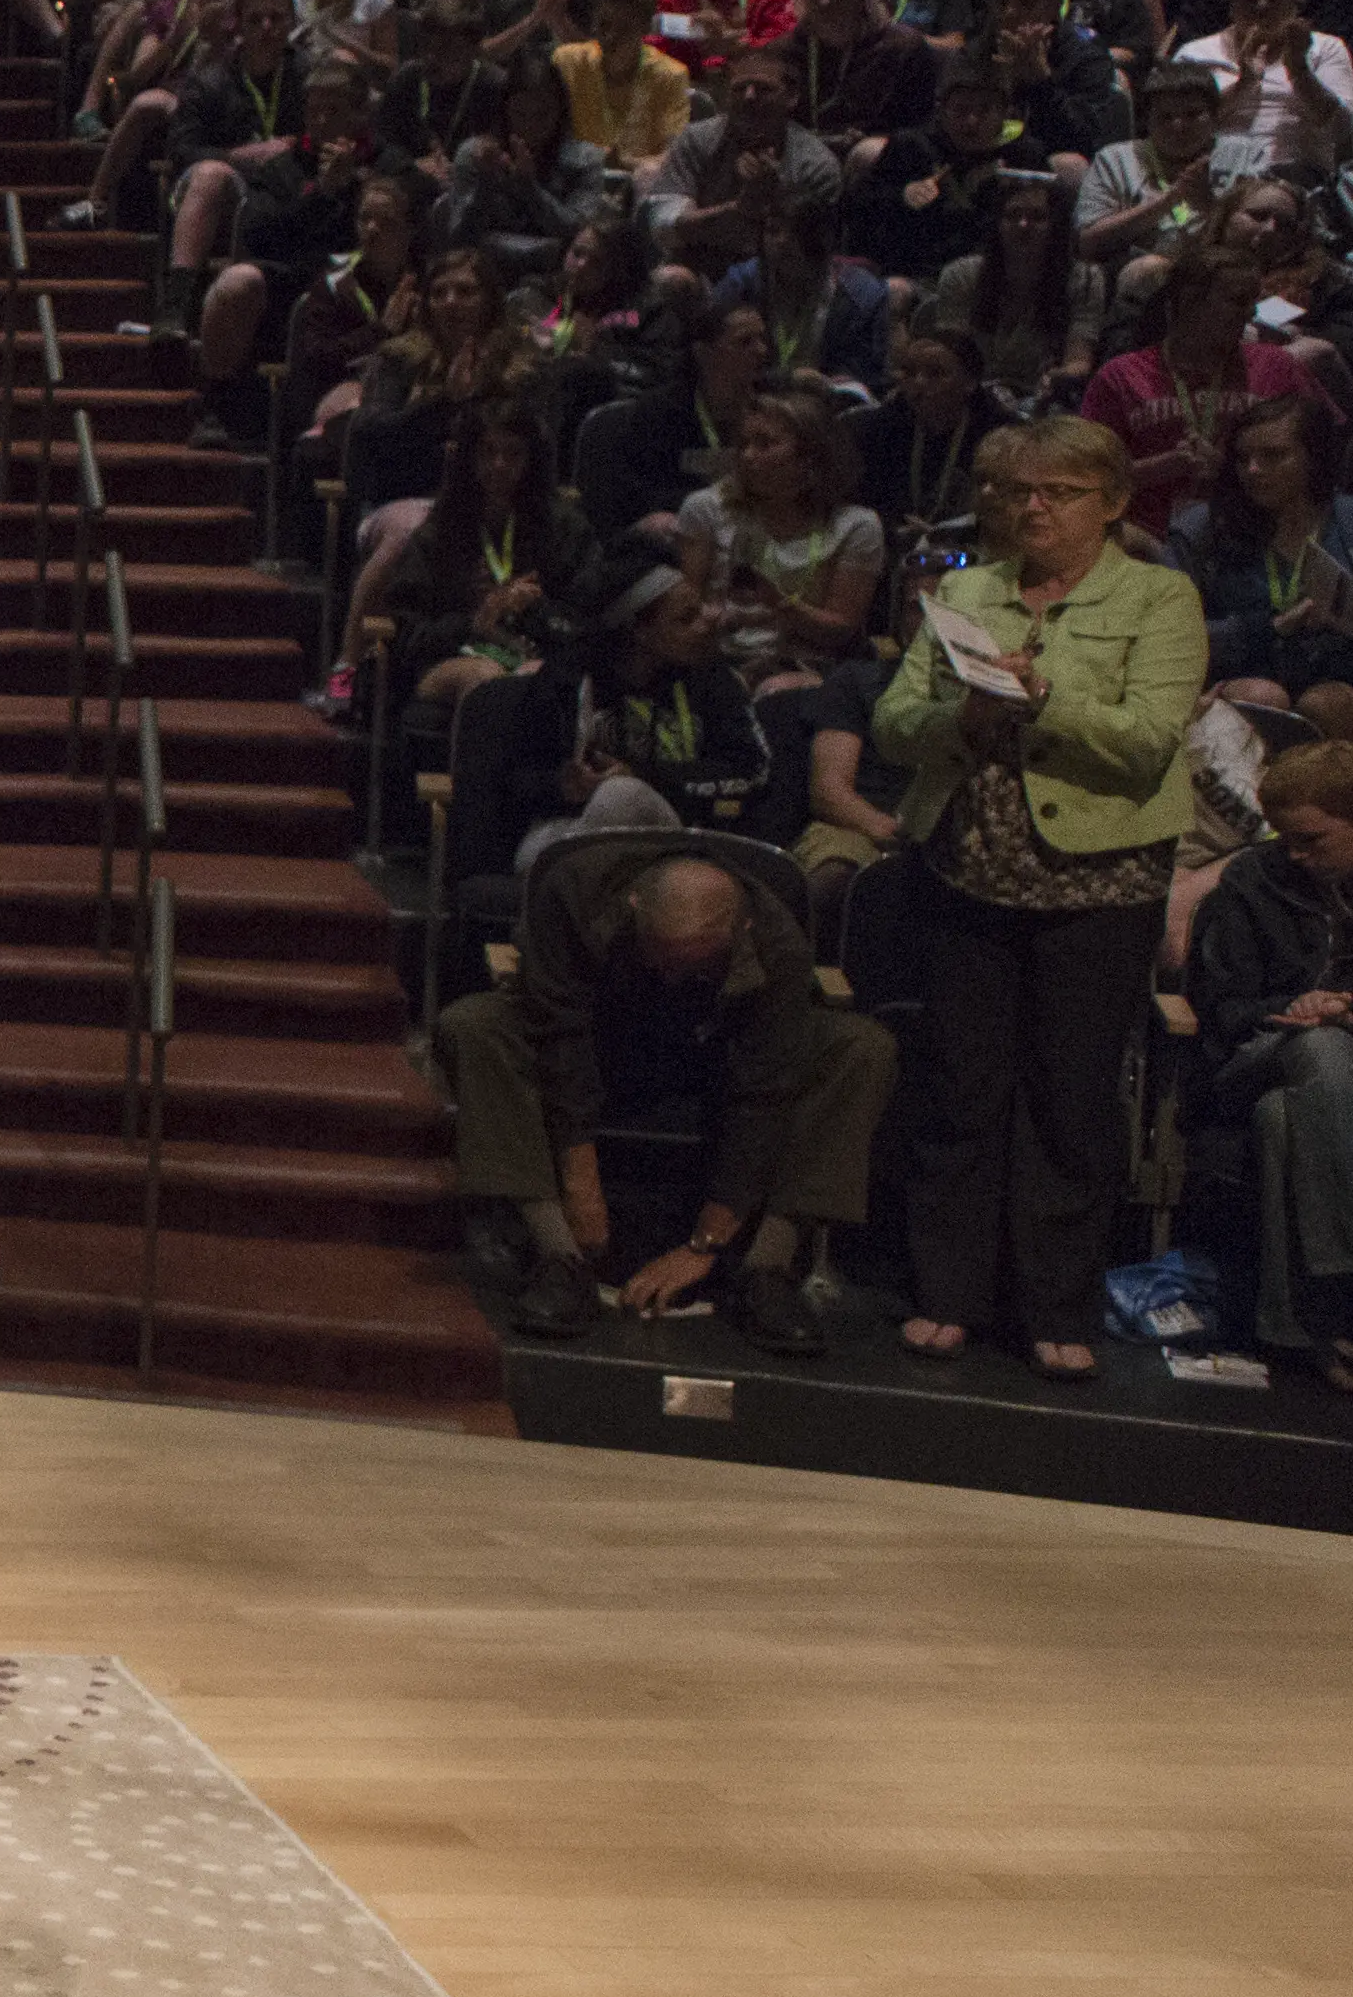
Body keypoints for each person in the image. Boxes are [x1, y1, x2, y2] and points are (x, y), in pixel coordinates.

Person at [866, 419, 1203, 1380]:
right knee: (961, 1089)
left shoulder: (1157, 595)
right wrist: (961, 716)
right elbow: (893, 723)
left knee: (1070, 1097)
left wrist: (1044, 693)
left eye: (1056, 491)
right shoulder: (967, 588)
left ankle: (1054, 1304)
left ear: (1110, 502)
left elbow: (1147, 740)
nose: (1031, 508)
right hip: (968, 863)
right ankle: (946, 1294)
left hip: (1098, 882)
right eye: (1016, 491)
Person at [429, 845, 887, 1354]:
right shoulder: (573, 895)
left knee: (862, 1048)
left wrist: (705, 1246)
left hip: (718, 1057)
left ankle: (768, 1269)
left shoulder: (778, 940)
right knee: (473, 1026)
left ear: (741, 930)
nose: (671, 977)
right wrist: (581, 1187)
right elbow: (561, 1040)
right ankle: (559, 1258)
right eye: (660, 957)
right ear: (633, 907)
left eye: (693, 964)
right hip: (602, 1039)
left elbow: (764, 1092)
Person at [1186, 741, 1353, 1379]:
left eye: (1312, 839)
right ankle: (1345, 1280)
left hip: (1320, 1077)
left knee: (1285, 1118)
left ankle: (1302, 1334)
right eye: (1285, 837)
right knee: (1316, 1047)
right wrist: (1299, 1005)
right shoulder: (1252, 881)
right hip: (1252, 1055)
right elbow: (1221, 1006)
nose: (1295, 853)